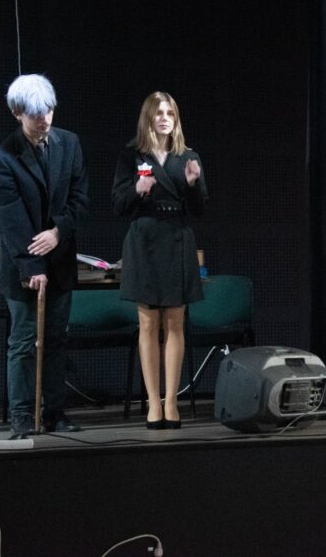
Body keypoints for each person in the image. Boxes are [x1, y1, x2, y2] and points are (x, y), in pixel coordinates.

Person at [0, 74, 89, 438]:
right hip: (22, 264)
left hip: (59, 259)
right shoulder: (2, 157)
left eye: (48, 110)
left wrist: (58, 232)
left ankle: (54, 413)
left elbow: (80, 198)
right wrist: (32, 266)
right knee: (24, 343)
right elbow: (8, 214)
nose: (43, 118)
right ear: (18, 113)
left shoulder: (69, 143)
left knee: (56, 339)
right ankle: (20, 416)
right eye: (34, 113)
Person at [112, 92, 206, 429]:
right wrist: (138, 189)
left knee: (175, 323)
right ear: (148, 118)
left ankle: (172, 402)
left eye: (170, 113)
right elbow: (117, 205)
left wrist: (192, 185)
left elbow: (200, 210)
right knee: (149, 324)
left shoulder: (188, 156)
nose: (165, 118)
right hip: (144, 241)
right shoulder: (132, 155)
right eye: (159, 113)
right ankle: (153, 402)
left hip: (177, 240)